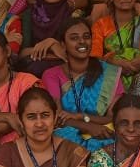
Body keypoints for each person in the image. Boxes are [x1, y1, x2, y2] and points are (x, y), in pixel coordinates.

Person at [41, 17, 123, 152]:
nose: (82, 41)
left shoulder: (109, 73)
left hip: (102, 132)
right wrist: (88, 127)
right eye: (74, 38)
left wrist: (81, 117)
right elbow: (55, 116)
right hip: (66, 135)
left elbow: (113, 118)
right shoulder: (52, 75)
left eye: (86, 37)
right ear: (63, 44)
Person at [21, 0, 72, 76]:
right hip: (33, 71)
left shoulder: (73, 15)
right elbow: (22, 53)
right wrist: (50, 46)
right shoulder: (29, 14)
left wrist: (50, 42)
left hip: (65, 72)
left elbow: (73, 53)